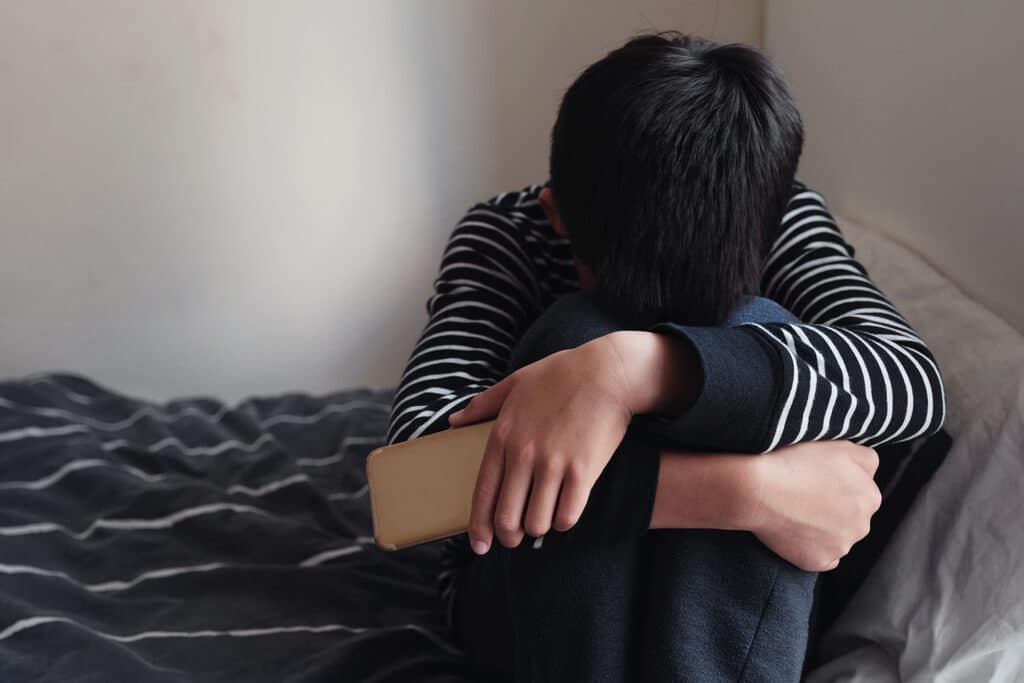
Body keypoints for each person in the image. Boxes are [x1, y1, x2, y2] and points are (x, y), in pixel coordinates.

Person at [387, 33, 945, 682]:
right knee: (579, 328)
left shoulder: (778, 211)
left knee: (753, 329)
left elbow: (912, 381)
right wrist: (749, 493)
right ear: (555, 214)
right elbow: (407, 485)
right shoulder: (508, 235)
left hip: (734, 626)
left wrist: (633, 371)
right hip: (529, 613)